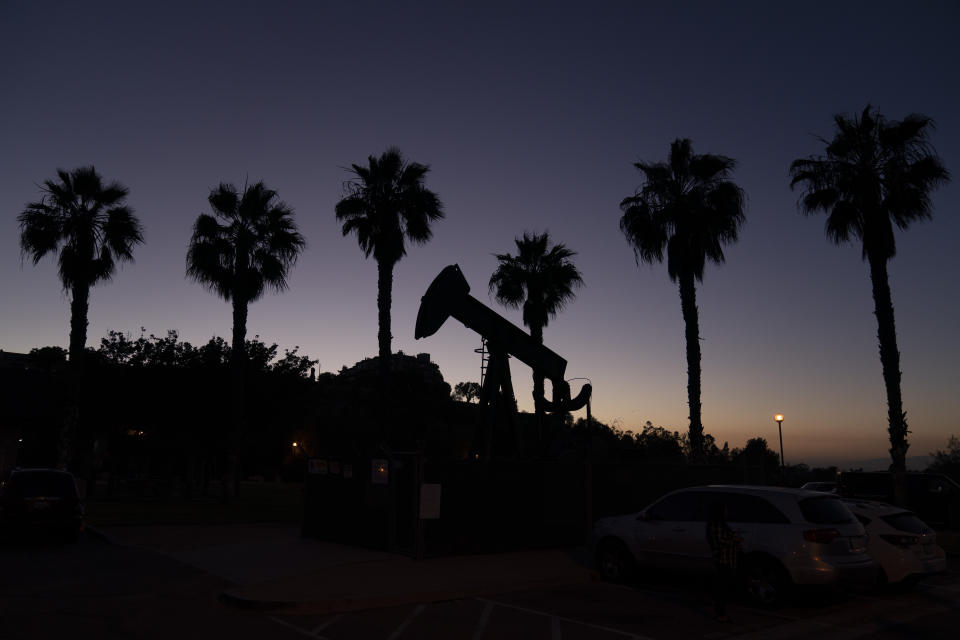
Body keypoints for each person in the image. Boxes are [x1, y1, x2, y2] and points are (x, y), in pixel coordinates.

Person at [706, 501, 741, 622]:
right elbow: (719, 542)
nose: (727, 513)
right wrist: (735, 541)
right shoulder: (715, 526)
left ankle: (721, 612)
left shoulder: (723, 525)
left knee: (724, 587)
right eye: (725, 510)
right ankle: (720, 613)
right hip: (722, 560)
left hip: (729, 560)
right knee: (721, 588)